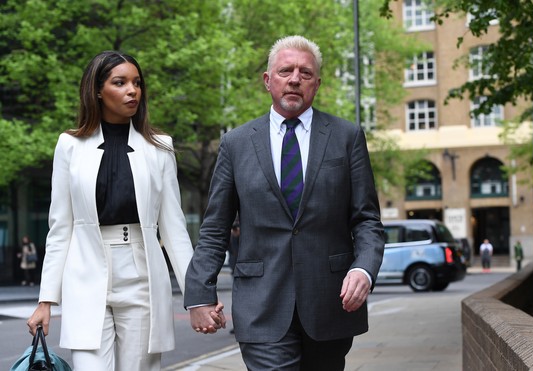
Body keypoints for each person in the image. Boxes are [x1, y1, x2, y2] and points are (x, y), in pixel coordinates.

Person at [184, 35, 384, 370]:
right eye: (285, 71)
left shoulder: (346, 137)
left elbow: (366, 219)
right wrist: (199, 293)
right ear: (268, 80)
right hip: (261, 305)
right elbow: (215, 227)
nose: (294, 79)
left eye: (305, 73)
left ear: (316, 84)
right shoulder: (236, 144)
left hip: (330, 304)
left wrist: (364, 268)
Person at [25, 51, 223, 371]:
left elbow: (174, 230)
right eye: (120, 83)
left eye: (137, 83)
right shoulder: (69, 145)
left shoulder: (160, 146)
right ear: (98, 91)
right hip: (85, 271)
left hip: (141, 273)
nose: (132, 90)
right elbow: (60, 228)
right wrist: (45, 301)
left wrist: (199, 295)